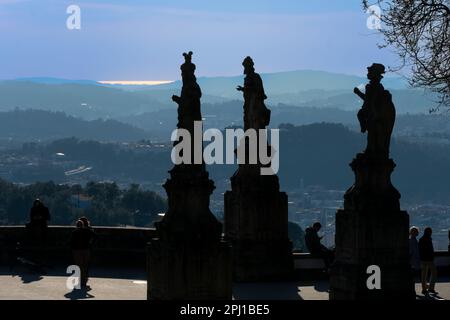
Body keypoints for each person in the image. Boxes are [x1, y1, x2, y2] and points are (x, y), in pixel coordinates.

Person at [70, 219, 96, 289]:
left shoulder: (74, 232)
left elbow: (71, 242)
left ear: (76, 225)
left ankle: (80, 282)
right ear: (83, 225)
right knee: (85, 266)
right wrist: (90, 243)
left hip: (77, 251)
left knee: (79, 266)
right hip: (86, 250)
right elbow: (95, 236)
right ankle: (83, 282)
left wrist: (73, 250)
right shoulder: (88, 231)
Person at [419, 227, 437, 295]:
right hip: (429, 259)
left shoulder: (421, 239)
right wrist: (432, 256)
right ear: (429, 232)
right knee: (434, 273)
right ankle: (431, 288)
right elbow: (430, 250)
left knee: (424, 275)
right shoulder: (429, 239)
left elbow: (420, 250)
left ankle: (424, 289)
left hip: (423, 259)